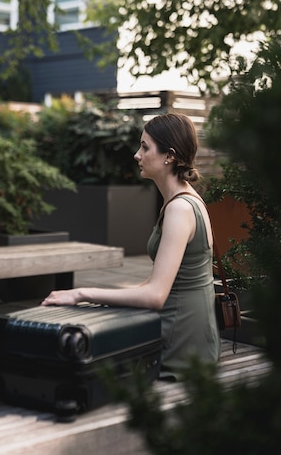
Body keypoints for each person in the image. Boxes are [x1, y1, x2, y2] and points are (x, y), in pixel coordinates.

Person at [41, 112, 221, 379]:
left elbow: (155, 295)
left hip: (181, 344)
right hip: (189, 333)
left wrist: (81, 294)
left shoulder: (180, 209)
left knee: (77, 354)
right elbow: (156, 284)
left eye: (145, 147)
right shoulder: (183, 200)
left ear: (169, 156)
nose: (137, 155)